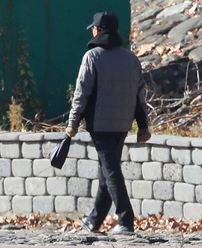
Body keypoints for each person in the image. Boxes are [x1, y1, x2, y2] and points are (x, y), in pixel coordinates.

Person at [67, 11, 150, 236]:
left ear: (96, 31)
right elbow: (139, 95)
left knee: (110, 169)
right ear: (116, 31)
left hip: (99, 124)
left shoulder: (92, 57)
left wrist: (72, 122)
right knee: (108, 169)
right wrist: (143, 125)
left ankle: (125, 218)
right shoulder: (131, 59)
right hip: (123, 123)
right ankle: (94, 220)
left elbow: (81, 93)